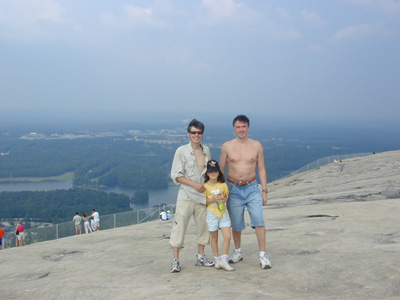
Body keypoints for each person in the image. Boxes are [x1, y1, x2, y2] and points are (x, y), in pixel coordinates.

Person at [219, 114, 272, 269]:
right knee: (236, 223)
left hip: (251, 187)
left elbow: (261, 168)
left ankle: (262, 254)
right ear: (234, 128)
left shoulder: (257, 146)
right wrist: (221, 189)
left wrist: (264, 190)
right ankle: (237, 251)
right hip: (233, 187)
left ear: (248, 127)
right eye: (238, 127)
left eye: (243, 126)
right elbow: (221, 169)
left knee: (258, 220)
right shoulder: (227, 146)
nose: (241, 129)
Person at [169, 119, 214, 273]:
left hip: (202, 196)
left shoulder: (206, 150)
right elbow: (176, 175)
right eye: (193, 132)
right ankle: (175, 260)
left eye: (199, 132)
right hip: (186, 195)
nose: (196, 135)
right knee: (179, 227)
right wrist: (193, 184)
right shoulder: (181, 151)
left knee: (203, 227)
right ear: (188, 134)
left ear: (202, 134)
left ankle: (200, 257)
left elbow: (210, 173)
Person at [204, 159, 234, 271]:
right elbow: (203, 201)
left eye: (215, 171)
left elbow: (226, 196)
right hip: (211, 214)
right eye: (211, 171)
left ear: (218, 173)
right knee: (214, 237)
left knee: (227, 236)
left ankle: (224, 259)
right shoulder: (205, 187)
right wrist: (212, 199)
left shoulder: (223, 185)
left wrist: (224, 199)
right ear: (207, 173)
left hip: (223, 213)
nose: (213, 174)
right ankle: (217, 259)